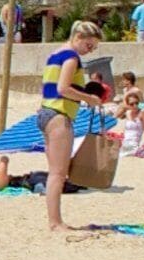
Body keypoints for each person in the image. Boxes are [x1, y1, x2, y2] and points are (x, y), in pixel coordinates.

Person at [40, 20, 103, 231]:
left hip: (46, 112)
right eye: (89, 46)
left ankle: (54, 220)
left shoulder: (54, 54)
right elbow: (64, 88)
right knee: (58, 173)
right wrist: (89, 98)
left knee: (54, 172)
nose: (89, 51)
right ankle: (55, 222)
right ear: (78, 37)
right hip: (60, 113)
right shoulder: (71, 57)